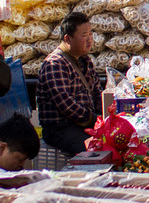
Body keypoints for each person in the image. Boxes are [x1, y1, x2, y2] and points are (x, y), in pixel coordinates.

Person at [37, 12, 103, 156]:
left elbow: (97, 91)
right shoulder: (54, 64)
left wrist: (105, 117)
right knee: (96, 150)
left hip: (84, 123)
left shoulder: (85, 61)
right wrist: (94, 119)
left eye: (91, 34)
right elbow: (66, 105)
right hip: (61, 128)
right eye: (84, 35)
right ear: (68, 39)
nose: (90, 40)